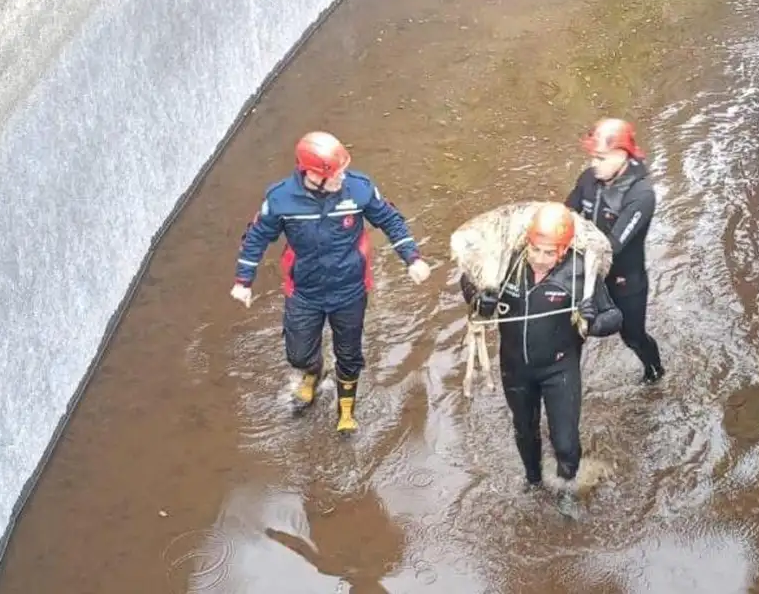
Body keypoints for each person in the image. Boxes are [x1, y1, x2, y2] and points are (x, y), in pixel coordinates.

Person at [230, 131, 432, 433]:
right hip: (304, 291)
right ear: (312, 173)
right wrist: (243, 280)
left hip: (349, 289)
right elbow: (257, 235)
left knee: (349, 355)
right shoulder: (281, 199)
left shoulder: (359, 190)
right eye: (335, 173)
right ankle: (312, 373)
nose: (342, 177)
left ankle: (346, 410)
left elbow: (390, 219)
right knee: (297, 354)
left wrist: (412, 258)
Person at [459, 202, 622, 512]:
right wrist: (482, 300)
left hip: (559, 369)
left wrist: (595, 321)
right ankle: (532, 482)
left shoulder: (579, 271)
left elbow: (614, 316)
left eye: (551, 253)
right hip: (515, 368)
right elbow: (470, 289)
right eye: (536, 250)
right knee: (524, 430)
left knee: (565, 441)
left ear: (564, 250)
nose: (541, 259)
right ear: (527, 242)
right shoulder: (503, 264)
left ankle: (567, 494)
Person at [565, 118, 664, 384]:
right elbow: (567, 215)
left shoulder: (641, 195)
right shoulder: (589, 179)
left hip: (624, 280)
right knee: (571, 331)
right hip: (588, 272)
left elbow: (613, 245)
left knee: (633, 336)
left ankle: (654, 374)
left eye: (600, 158)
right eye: (592, 157)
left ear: (621, 155)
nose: (593, 164)